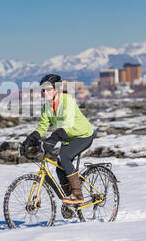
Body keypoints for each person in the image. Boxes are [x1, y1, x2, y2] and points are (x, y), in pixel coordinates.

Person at [21, 74, 94, 205]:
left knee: (64, 157)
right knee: (59, 168)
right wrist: (30, 139)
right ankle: (69, 202)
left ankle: (77, 195)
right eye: (43, 90)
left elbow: (68, 124)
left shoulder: (67, 101)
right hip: (68, 138)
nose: (45, 92)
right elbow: (42, 126)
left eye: (48, 89)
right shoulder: (47, 107)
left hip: (83, 135)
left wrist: (53, 138)